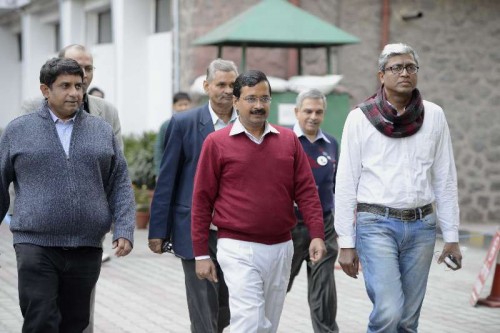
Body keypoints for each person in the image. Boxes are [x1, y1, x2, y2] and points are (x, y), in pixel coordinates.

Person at [0, 57, 135, 332]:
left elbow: (119, 181)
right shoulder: (18, 130)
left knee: (75, 323)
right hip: (35, 243)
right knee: (40, 320)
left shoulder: (101, 130)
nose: (75, 93)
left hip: (86, 246)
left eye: (78, 85)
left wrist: (124, 227)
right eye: (65, 86)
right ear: (45, 90)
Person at [334, 43, 462, 333]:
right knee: (389, 311)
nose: (404, 73)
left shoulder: (434, 116)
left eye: (410, 67)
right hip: (376, 224)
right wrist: (346, 242)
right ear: (381, 75)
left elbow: (445, 178)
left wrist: (451, 236)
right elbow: (345, 183)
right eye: (396, 67)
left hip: (422, 228)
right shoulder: (360, 118)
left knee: (407, 320)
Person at [191, 70, 327, 333]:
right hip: (236, 247)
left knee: (267, 324)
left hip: (281, 247)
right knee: (250, 322)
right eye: (251, 99)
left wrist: (317, 234)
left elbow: (307, 191)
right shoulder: (217, 143)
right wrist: (201, 253)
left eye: (264, 99)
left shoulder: (288, 141)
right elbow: (201, 200)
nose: (258, 106)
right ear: (236, 101)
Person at [148, 59, 238, 333]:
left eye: (232, 85)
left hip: (235, 230)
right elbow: (168, 179)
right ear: (207, 86)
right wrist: (157, 230)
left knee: (226, 305)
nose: (226, 90)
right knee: (202, 304)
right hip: (194, 227)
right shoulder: (184, 123)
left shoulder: (249, 124)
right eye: (220, 84)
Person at [288, 89, 340, 333]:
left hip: (324, 225)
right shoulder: (283, 141)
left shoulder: (332, 144)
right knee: (278, 286)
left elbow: (338, 184)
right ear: (297, 112)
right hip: (289, 227)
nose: (313, 116)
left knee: (323, 290)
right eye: (308, 111)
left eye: (318, 111)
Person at [153, 91, 192, 176]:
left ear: (190, 105)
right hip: (171, 171)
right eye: (180, 105)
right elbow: (159, 149)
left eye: (186, 104)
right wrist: (159, 173)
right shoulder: (166, 125)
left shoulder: (196, 124)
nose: (183, 108)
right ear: (174, 106)